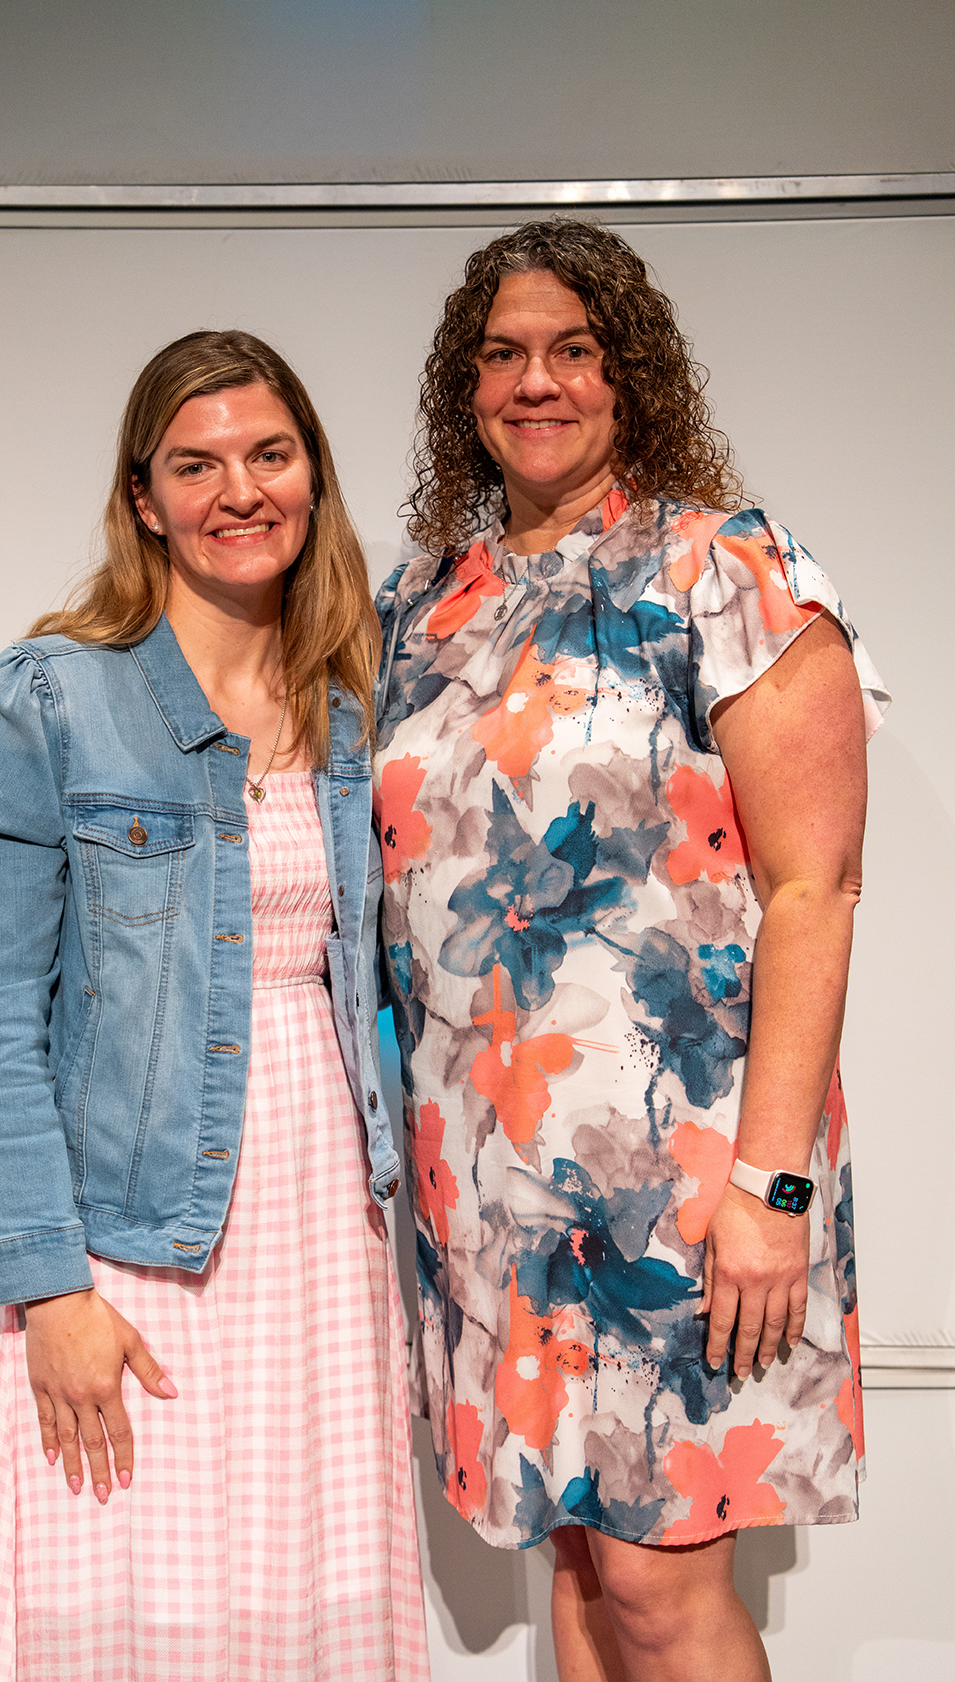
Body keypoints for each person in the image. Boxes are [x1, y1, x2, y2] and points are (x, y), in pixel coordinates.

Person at [373, 220, 888, 1682]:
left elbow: (815, 890)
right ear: (465, 387)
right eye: (503, 354)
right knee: (585, 1580)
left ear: (631, 375)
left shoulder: (726, 570)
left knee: (663, 1596)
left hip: (685, 1184)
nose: (535, 382)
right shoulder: (424, 603)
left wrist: (771, 1188)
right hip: (490, 1188)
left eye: (574, 351)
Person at [0, 329, 430, 1681]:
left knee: (306, 1593)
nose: (240, 490)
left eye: (270, 454)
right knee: (121, 1602)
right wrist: (47, 1287)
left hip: (321, 1227)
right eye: (196, 465)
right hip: (123, 1235)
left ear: (312, 476)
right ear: (144, 498)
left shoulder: (358, 698)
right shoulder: (47, 698)